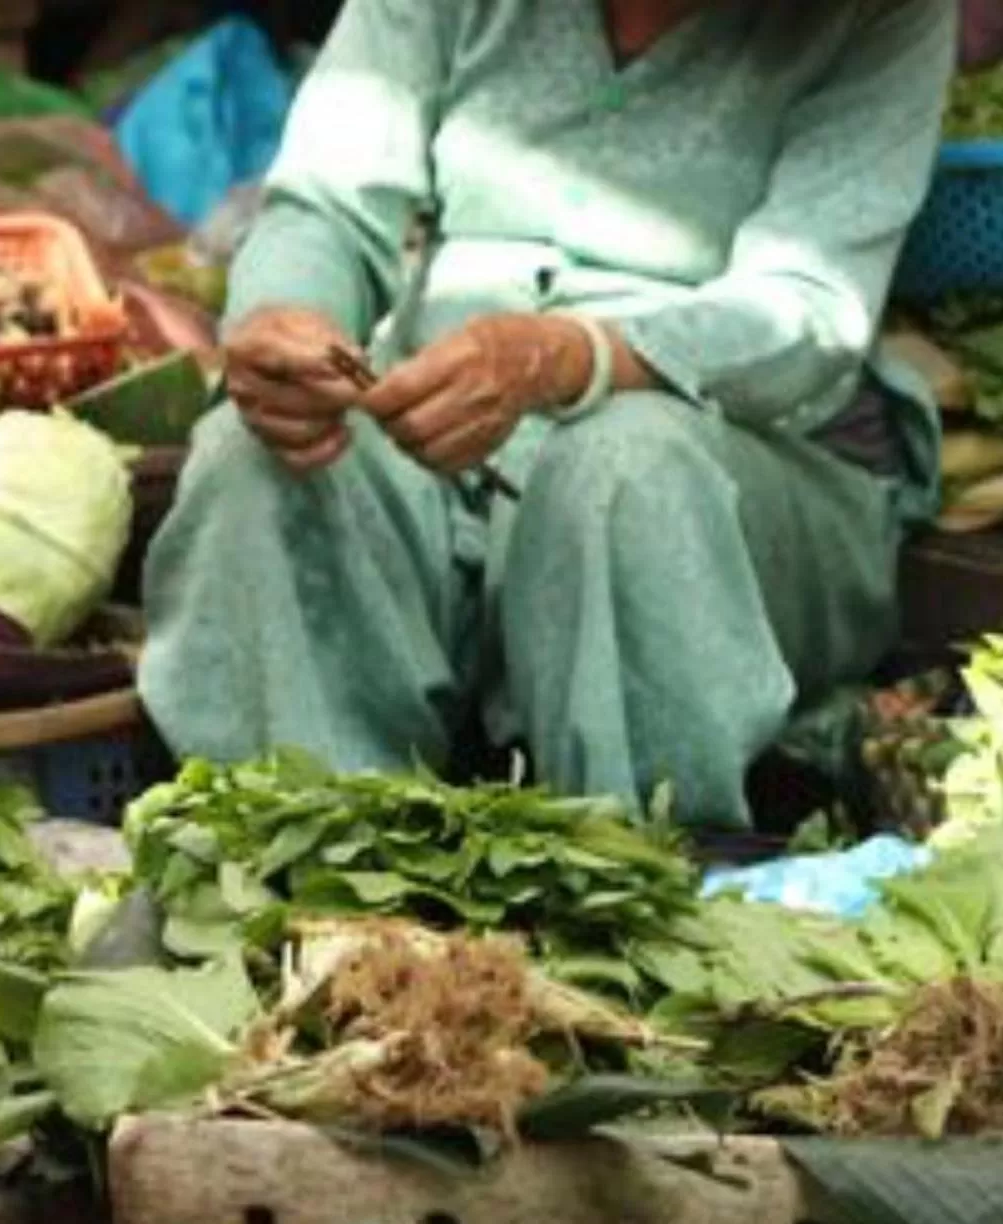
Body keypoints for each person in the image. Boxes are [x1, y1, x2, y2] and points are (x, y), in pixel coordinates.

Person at [138, 0, 957, 829]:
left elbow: (805, 313)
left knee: (624, 465)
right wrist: (285, 318)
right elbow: (325, 209)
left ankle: (643, 892)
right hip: (444, 435)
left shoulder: (880, 16)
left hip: (734, 477)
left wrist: (572, 357)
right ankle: (321, 879)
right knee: (254, 461)